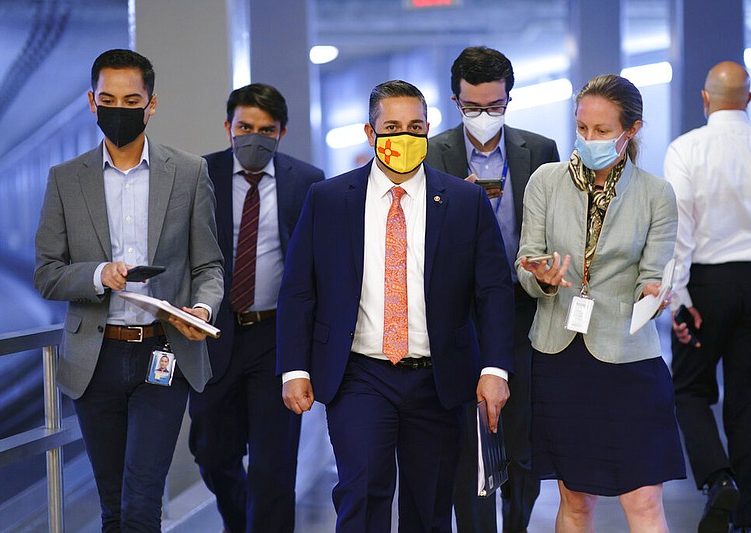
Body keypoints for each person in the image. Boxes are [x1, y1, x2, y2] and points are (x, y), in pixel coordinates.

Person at [277, 80, 516, 533]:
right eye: (392, 127)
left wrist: (495, 368)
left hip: (439, 377)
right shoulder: (328, 199)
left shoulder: (465, 201)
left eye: (415, 127)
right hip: (359, 373)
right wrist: (295, 369)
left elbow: (493, 291)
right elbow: (298, 290)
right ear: (370, 134)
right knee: (362, 491)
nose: (404, 137)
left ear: (428, 129)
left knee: (428, 508)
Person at [33, 49, 224, 531]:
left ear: (151, 104)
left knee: (142, 499)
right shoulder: (64, 180)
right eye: (108, 99)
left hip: (162, 356)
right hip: (94, 361)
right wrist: (98, 275)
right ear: (91, 103)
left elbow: (209, 264)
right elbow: (47, 273)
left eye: (131, 99)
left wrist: (200, 308)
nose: (119, 109)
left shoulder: (188, 172)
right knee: (114, 506)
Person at [515, 74, 685, 532]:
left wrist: (653, 292)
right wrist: (545, 280)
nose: (589, 139)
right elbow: (525, 262)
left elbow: (653, 273)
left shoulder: (655, 193)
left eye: (603, 131)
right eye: (582, 128)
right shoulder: (545, 182)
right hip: (560, 356)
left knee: (645, 502)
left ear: (631, 131)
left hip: (628, 358)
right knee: (575, 503)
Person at [425, 45, 559, 533]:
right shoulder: (433, 153)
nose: (484, 116)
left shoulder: (539, 151)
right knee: (467, 441)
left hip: (523, 311)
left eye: (494, 106)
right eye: (472, 106)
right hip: (459, 318)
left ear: (509, 98)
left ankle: (518, 524)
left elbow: (552, 229)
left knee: (522, 437)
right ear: (455, 100)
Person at [187, 83, 324, 533]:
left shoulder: (306, 180)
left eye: (266, 130)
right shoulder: (198, 176)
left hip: (276, 339)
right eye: (245, 127)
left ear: (281, 133)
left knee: (274, 465)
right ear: (228, 127)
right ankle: (239, 519)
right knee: (211, 451)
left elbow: (316, 263)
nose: (254, 137)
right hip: (214, 335)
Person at [665, 61, 751, 533]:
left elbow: (680, 230)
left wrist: (677, 298)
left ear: (705, 98)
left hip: (708, 287)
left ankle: (718, 480)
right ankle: (744, 523)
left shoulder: (686, 149)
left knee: (689, 390)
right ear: (748, 100)